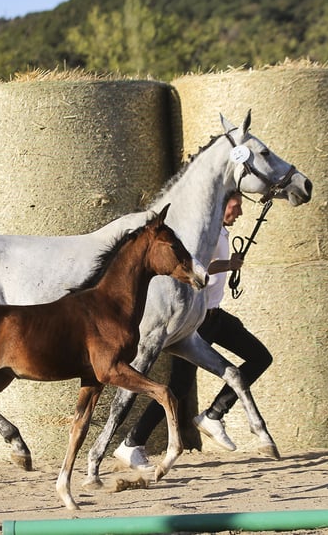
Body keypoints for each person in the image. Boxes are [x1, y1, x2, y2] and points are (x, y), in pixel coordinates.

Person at [114, 191, 273, 469]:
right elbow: (194, 265)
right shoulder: (205, 233)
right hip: (196, 322)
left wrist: (230, 266)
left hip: (215, 315)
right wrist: (228, 265)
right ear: (222, 204)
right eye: (235, 206)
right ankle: (132, 443)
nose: (239, 212)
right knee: (179, 386)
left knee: (260, 357)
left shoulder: (221, 232)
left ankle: (214, 414)